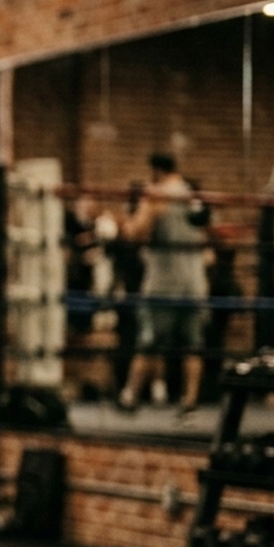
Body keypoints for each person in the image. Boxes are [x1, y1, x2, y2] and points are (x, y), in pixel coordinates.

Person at [118, 154, 209, 417]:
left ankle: (131, 396)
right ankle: (190, 402)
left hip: (164, 281)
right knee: (194, 344)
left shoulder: (157, 194)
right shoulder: (194, 196)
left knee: (148, 341)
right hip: (194, 281)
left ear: (155, 171)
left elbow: (137, 233)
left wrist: (126, 223)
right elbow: (204, 236)